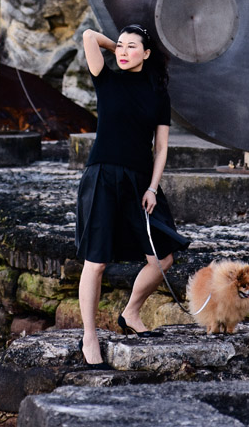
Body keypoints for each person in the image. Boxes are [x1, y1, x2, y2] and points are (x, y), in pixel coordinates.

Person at [76, 24, 189, 366]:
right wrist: (116, 48)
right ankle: (90, 337)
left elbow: (162, 148)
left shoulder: (158, 92)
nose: (123, 52)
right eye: (121, 47)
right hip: (103, 176)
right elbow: (87, 36)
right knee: (95, 263)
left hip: (140, 182)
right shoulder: (105, 77)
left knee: (163, 256)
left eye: (131, 47)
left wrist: (153, 187)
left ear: (147, 53)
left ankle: (131, 314)